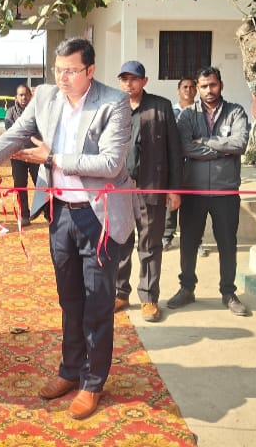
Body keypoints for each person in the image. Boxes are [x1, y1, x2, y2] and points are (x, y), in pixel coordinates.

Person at [0, 37, 134, 420]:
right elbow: (18, 132)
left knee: (97, 303)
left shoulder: (113, 103)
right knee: (69, 299)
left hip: (98, 215)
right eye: (58, 70)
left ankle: (93, 382)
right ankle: (70, 369)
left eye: (71, 71)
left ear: (90, 70)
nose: (62, 78)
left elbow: (111, 163)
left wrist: (55, 158)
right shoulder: (46, 96)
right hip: (60, 213)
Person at [166, 66, 251, 317]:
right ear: (198, 88)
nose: (208, 90)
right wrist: (222, 150)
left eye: (213, 85)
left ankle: (228, 292)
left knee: (227, 243)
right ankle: (187, 289)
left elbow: (240, 143)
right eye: (203, 86)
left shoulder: (235, 111)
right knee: (189, 242)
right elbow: (184, 147)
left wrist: (204, 142)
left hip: (226, 191)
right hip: (194, 190)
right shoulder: (187, 115)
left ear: (220, 85)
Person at [113, 62, 182, 323]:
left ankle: (149, 297)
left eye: (134, 79)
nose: (129, 84)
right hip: (120, 188)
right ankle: (120, 293)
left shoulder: (160, 107)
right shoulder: (113, 107)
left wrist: (174, 189)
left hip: (151, 186)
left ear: (144, 81)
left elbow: (174, 151)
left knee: (150, 244)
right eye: (124, 79)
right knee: (120, 242)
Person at [162, 78, 198, 252]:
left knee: (193, 206)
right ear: (178, 90)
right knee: (171, 202)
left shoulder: (201, 112)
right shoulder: (170, 112)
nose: (188, 90)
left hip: (194, 165)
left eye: (192, 87)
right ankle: (166, 237)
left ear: (196, 90)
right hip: (173, 165)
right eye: (185, 87)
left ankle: (195, 242)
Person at [4, 84, 39, 227]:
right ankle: (24, 214)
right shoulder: (10, 112)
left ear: (30, 96)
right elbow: (11, 132)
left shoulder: (37, 110)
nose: (24, 97)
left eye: (26, 94)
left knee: (40, 184)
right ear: (16, 97)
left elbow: (39, 130)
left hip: (35, 154)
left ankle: (46, 212)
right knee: (20, 185)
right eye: (21, 95)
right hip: (17, 155)